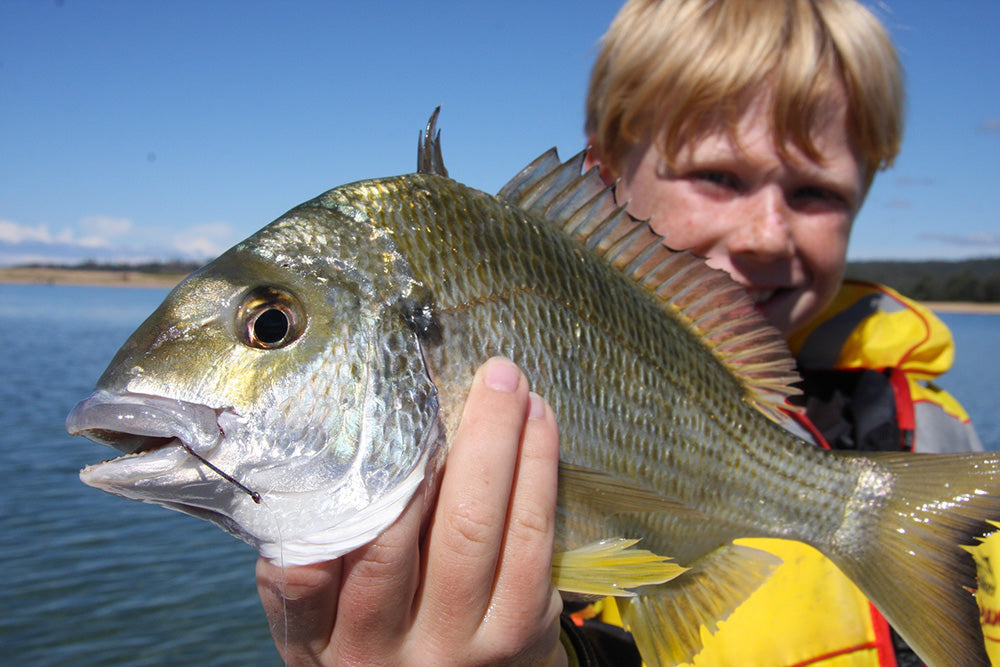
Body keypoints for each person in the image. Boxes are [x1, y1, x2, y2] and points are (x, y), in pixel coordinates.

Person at [256, 1, 983, 665]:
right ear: (604, 174)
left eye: (816, 192)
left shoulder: (938, 435)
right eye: (718, 177)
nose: (766, 232)